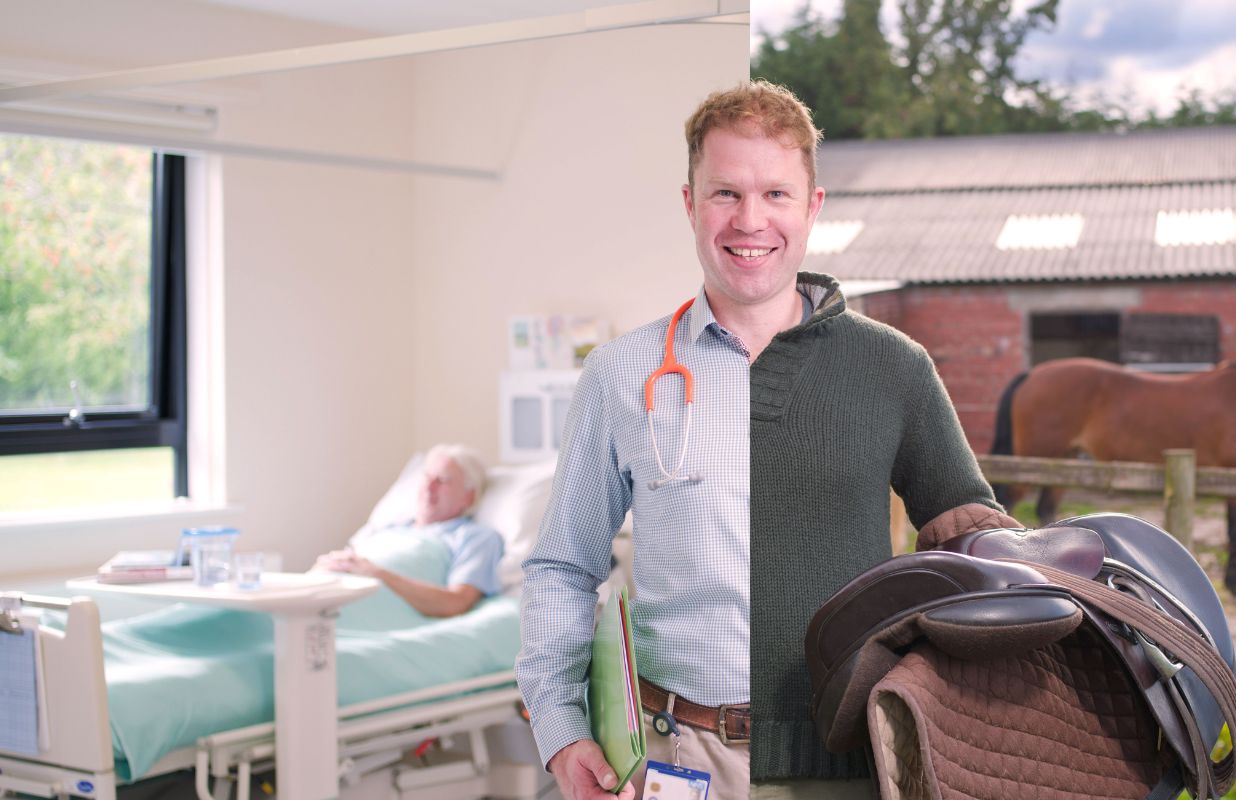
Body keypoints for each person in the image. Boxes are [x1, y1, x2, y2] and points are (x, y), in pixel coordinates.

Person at [516, 81, 1018, 800]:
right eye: (725, 194)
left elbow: (972, 550)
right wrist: (562, 732)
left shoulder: (894, 367)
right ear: (690, 203)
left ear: (812, 207)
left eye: (776, 195)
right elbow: (563, 567)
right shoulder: (621, 373)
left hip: (849, 763)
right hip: (674, 761)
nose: (750, 220)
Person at [313, 444, 501, 618]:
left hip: (358, 611)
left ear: (468, 497)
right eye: (427, 477)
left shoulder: (474, 537)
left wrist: (379, 574)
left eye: (442, 480)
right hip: (317, 593)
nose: (429, 487)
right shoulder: (389, 528)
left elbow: (456, 602)